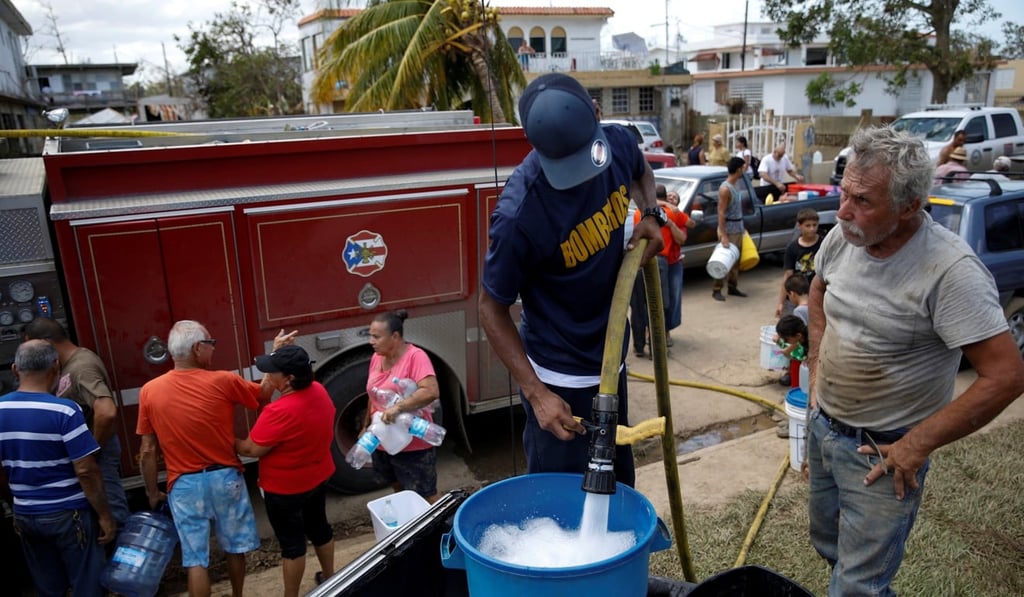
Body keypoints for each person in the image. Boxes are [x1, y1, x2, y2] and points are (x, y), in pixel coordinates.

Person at [806, 125, 1024, 596]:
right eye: (845, 193)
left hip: (884, 453)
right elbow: (819, 288)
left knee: (857, 586)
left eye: (863, 200)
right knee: (827, 544)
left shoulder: (951, 272)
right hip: (826, 430)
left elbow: (1006, 376)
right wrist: (817, 366)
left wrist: (915, 444)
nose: (844, 211)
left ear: (910, 206)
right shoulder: (847, 237)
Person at [479, 73, 664, 486]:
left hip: (611, 363)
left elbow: (641, 172)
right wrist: (537, 395)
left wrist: (651, 214)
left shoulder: (615, 142)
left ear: (597, 115)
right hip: (559, 385)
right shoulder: (518, 215)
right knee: (559, 514)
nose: (581, 177)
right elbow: (490, 309)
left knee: (617, 492)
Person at [137, 320, 277, 597]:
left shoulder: (150, 391)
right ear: (197, 348)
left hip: (184, 486)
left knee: (195, 560)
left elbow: (147, 451)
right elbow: (263, 394)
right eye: (211, 344)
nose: (213, 350)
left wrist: (152, 491)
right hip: (226, 479)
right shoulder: (223, 380)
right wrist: (274, 357)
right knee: (235, 548)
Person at [0, 340, 116, 597]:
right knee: (88, 585)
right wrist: (105, 515)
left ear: (15, 369)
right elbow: (86, 470)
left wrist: (16, 500)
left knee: (48, 588)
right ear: (56, 366)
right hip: (68, 514)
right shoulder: (65, 411)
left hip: (26, 515)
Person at [236, 343, 336, 596]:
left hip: (286, 491)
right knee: (320, 529)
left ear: (289, 378)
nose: (268, 375)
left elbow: (251, 449)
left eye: (273, 371)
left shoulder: (279, 411)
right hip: (318, 477)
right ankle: (330, 577)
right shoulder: (319, 391)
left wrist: (223, 439)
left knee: (292, 546)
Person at [23, 318, 130, 528]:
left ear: (46, 342)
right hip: (89, 450)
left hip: (99, 451)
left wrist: (92, 449)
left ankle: (122, 556)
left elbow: (106, 412)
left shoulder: (82, 367)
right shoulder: (69, 364)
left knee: (112, 510)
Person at [365, 309, 442, 503]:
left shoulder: (416, 357)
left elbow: (431, 391)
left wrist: (398, 408)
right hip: (384, 440)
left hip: (413, 444)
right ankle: (410, 526)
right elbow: (373, 394)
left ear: (395, 336)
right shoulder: (377, 357)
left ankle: (444, 530)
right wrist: (365, 426)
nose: (371, 341)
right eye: (370, 336)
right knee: (398, 489)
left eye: (376, 336)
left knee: (426, 494)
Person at [711, 157, 749, 302]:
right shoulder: (725, 189)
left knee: (735, 261)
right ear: (738, 169)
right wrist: (724, 235)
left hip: (737, 227)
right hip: (729, 229)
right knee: (724, 260)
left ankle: (732, 286)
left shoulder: (735, 185)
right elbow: (721, 212)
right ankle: (717, 288)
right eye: (742, 168)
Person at [775, 207, 821, 318]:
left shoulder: (823, 244)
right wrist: (781, 303)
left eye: (815, 225)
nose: (812, 229)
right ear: (799, 226)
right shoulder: (792, 248)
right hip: (796, 295)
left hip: (817, 294)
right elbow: (787, 276)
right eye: (808, 225)